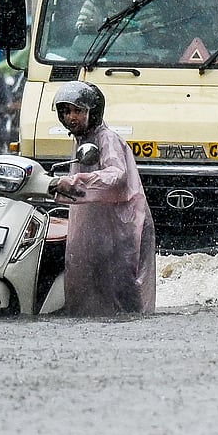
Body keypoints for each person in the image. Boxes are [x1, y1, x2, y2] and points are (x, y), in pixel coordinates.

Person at [47, 81, 156, 316]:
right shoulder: (82, 141)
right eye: (66, 111)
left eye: (78, 111)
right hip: (99, 222)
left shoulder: (107, 139)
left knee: (123, 284)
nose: (71, 118)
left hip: (123, 223)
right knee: (89, 277)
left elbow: (115, 176)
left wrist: (71, 183)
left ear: (92, 112)